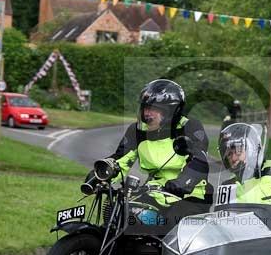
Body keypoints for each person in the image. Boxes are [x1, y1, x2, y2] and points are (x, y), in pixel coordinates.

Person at [90, 79, 212, 219]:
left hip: (190, 196)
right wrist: (100, 174)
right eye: (145, 108)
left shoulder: (190, 127)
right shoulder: (137, 131)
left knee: (170, 223)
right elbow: (121, 159)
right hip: (154, 193)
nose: (147, 114)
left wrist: (182, 182)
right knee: (122, 213)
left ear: (171, 112)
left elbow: (200, 161)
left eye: (153, 109)